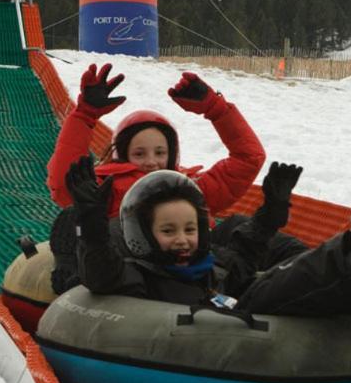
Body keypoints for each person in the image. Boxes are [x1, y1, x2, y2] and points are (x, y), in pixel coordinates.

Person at [65, 156, 351, 316]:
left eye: (190, 229)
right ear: (142, 236)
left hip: (238, 314)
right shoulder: (139, 275)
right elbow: (100, 272)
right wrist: (91, 222)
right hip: (218, 332)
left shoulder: (214, 267)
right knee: (273, 289)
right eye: (168, 231)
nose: (182, 239)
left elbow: (245, 249)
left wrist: (270, 214)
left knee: (278, 275)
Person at [45, 63, 266, 292]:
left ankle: (298, 277)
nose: (151, 161)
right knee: (76, 218)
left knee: (240, 225)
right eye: (139, 154)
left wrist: (215, 108)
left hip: (196, 264)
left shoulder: (190, 189)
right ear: (123, 154)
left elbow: (248, 159)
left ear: (172, 154)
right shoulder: (107, 187)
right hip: (134, 269)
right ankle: (71, 275)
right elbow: (64, 184)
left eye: (160, 153)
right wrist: (85, 114)